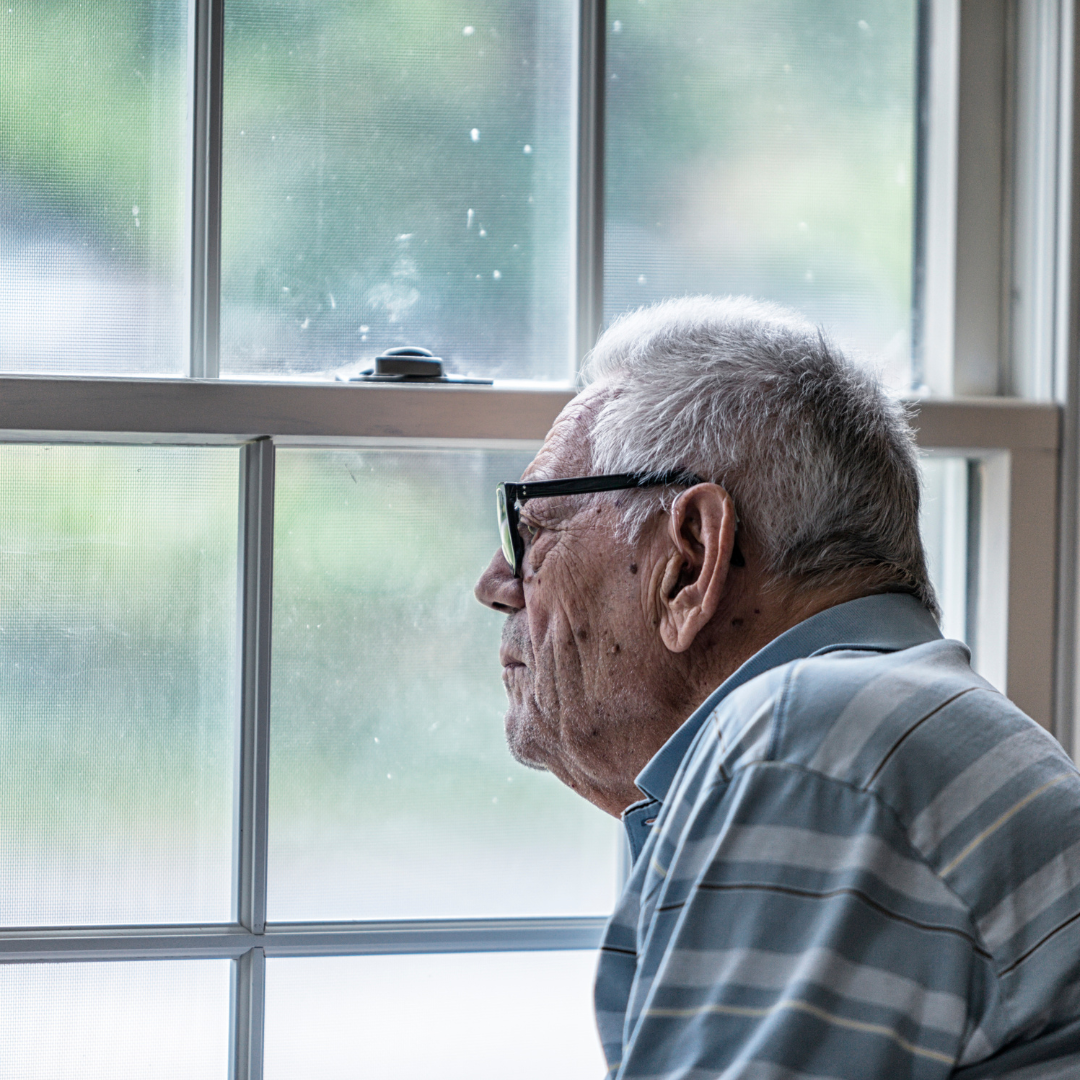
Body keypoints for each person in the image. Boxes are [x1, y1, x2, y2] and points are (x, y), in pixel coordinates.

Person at [474, 296, 1080, 1079]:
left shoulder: (812, 746)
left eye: (533, 530)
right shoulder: (883, 726)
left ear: (690, 559)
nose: (496, 582)